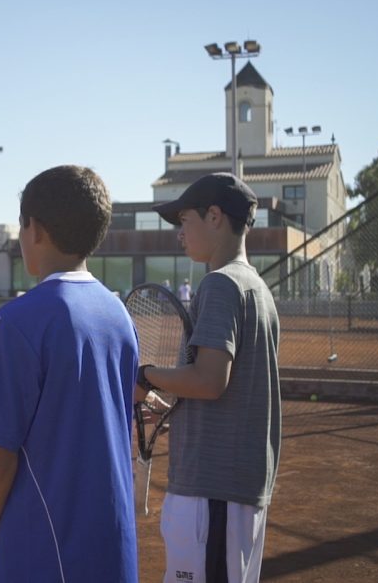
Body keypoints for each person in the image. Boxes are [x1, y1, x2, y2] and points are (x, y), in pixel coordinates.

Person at [0, 165, 139, 582]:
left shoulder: (20, 319)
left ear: (35, 230)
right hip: (115, 543)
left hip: (43, 547)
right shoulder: (118, 312)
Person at [139, 172, 280, 583]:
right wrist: (172, 404)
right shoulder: (256, 288)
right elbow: (227, 387)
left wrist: (146, 376)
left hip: (213, 491)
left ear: (214, 216)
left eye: (185, 221)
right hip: (233, 488)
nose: (180, 234)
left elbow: (210, 380)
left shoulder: (219, 284)